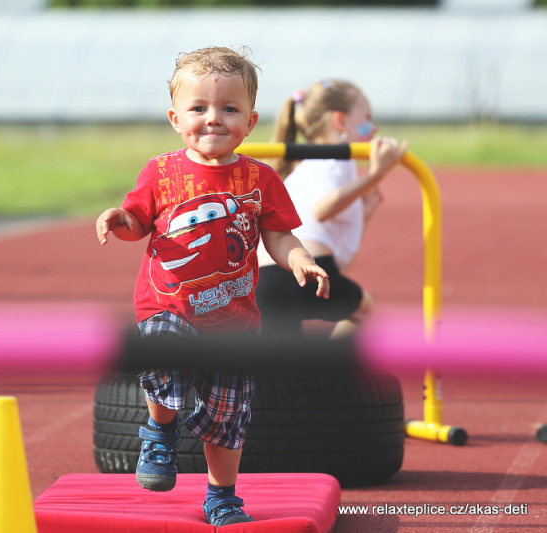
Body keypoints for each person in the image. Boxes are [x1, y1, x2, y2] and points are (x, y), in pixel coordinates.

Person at [96, 47, 329, 527]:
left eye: (229, 108)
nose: (213, 118)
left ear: (250, 121)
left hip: (234, 321)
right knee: (164, 354)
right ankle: (160, 432)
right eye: (198, 107)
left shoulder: (261, 178)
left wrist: (301, 258)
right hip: (168, 305)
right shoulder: (161, 172)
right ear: (175, 118)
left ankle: (221, 496)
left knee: (227, 419)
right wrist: (121, 220)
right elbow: (138, 221)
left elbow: (279, 235)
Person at [255, 80, 407, 338]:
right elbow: (321, 210)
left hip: (264, 278)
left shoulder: (303, 168)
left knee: (283, 358)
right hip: (302, 269)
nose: (375, 127)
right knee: (365, 310)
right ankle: (330, 363)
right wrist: (375, 175)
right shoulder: (336, 158)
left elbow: (333, 243)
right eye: (367, 117)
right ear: (340, 121)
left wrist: (365, 211)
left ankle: (319, 363)